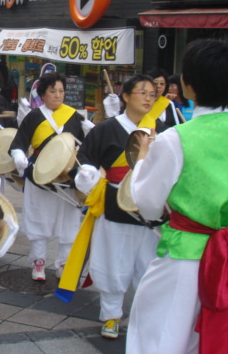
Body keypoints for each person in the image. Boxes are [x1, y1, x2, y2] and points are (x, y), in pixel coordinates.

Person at [126, 39, 228, 354]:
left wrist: (142, 159)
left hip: (187, 257)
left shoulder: (175, 139)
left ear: (186, 85)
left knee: (162, 336)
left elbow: (147, 202)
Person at [64, 74, 166, 339]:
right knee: (113, 263)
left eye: (152, 94)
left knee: (150, 264)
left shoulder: (161, 130)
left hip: (150, 208)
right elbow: (83, 158)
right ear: (125, 97)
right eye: (142, 92)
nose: (148, 98)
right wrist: (85, 173)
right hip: (114, 204)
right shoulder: (106, 129)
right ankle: (111, 316)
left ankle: (146, 316)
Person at [9, 71, 93, 281]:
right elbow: (19, 143)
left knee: (69, 220)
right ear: (43, 94)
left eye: (61, 91)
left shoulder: (74, 115)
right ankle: (39, 262)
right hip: (40, 175)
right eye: (52, 91)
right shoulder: (34, 116)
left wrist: (93, 131)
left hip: (67, 176)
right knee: (39, 217)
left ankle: (63, 263)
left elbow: (86, 145)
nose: (58, 95)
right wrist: (20, 157)